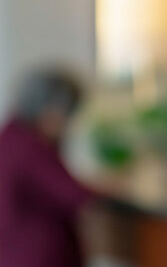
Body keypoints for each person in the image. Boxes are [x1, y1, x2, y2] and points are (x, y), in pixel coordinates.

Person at [0, 67, 96, 267]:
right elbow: (72, 195)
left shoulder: (9, 137)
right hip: (36, 255)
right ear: (50, 109)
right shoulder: (29, 146)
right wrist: (109, 188)